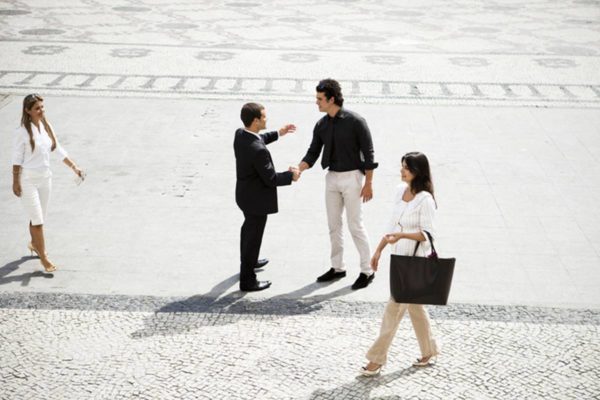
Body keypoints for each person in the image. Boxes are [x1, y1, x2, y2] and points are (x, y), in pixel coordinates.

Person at [360, 152, 439, 376]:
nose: (402, 171)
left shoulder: (426, 200)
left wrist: (403, 236)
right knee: (414, 307)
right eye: (402, 166)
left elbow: (428, 234)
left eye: (407, 168)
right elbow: (391, 225)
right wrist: (378, 250)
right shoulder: (399, 191)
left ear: (418, 172)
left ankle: (376, 359)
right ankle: (429, 350)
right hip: (399, 259)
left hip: (414, 262)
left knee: (393, 310)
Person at [298, 78, 378, 290]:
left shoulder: (356, 121)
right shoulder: (322, 124)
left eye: (319, 99)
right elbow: (313, 152)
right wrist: (300, 168)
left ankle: (367, 270)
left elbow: (369, 153)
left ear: (331, 99)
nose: (316, 103)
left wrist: (368, 183)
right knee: (334, 225)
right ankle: (337, 267)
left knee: (355, 225)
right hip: (332, 177)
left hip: (353, 178)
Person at [12, 93, 85, 273]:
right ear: (28, 111)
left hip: (46, 179)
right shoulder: (22, 132)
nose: (41, 111)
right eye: (37, 108)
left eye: (42, 107)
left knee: (38, 217)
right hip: (28, 180)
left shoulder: (46, 127)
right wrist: (15, 182)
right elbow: (16, 159)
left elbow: (56, 149)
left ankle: (33, 244)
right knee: (37, 221)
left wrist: (74, 167)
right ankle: (43, 257)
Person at [234, 102, 300, 292]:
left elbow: (259, 138)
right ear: (255, 121)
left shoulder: (240, 135)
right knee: (253, 237)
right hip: (256, 201)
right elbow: (271, 179)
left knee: (248, 231)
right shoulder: (258, 151)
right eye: (264, 117)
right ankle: (248, 280)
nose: (266, 119)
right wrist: (291, 176)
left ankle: (250, 261)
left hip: (244, 195)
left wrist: (279, 133)